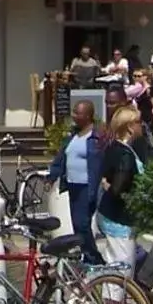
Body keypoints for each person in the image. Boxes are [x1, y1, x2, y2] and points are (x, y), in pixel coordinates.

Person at [47, 100, 105, 261]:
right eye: (74, 111)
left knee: (82, 223)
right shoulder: (72, 135)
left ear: (88, 115)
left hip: (88, 186)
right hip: (72, 185)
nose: (74, 115)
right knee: (77, 223)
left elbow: (104, 160)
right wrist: (52, 176)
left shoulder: (96, 136)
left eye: (78, 113)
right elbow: (61, 157)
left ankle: (93, 257)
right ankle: (87, 254)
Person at [95, 106, 144, 274]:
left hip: (109, 214)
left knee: (112, 265)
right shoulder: (125, 155)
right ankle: (113, 300)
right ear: (130, 127)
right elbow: (118, 189)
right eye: (138, 122)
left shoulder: (114, 147)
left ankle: (109, 298)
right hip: (119, 219)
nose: (141, 126)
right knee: (122, 270)